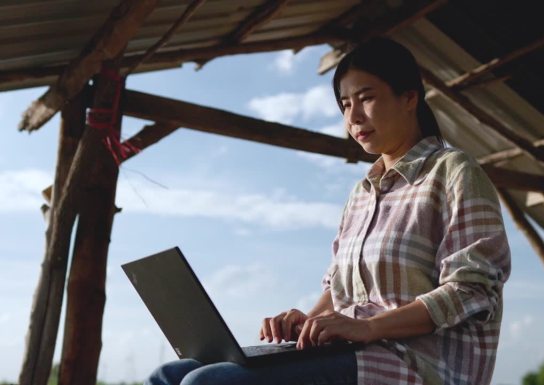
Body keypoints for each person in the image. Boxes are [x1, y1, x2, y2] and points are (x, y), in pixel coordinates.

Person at [145, 37, 511, 385]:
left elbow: (472, 289)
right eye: (345, 104)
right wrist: (308, 319)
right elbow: (339, 290)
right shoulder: (362, 193)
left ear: (409, 97)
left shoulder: (453, 171)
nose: (353, 117)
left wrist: (370, 327)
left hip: (414, 364)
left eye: (365, 98)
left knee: (208, 382)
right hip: (352, 350)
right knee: (170, 375)